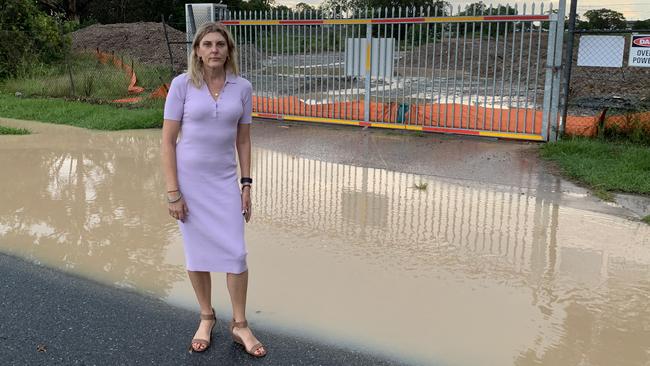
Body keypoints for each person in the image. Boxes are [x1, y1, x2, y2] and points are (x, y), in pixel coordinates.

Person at [160, 22, 266, 357]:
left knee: (236, 253)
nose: (214, 50)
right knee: (197, 254)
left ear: (229, 50)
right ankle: (206, 317)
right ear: (197, 50)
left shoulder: (243, 88)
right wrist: (173, 191)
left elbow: (244, 140)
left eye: (220, 44)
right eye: (207, 44)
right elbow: (167, 141)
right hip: (189, 183)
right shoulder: (182, 86)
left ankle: (240, 324)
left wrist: (246, 184)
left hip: (224, 182)